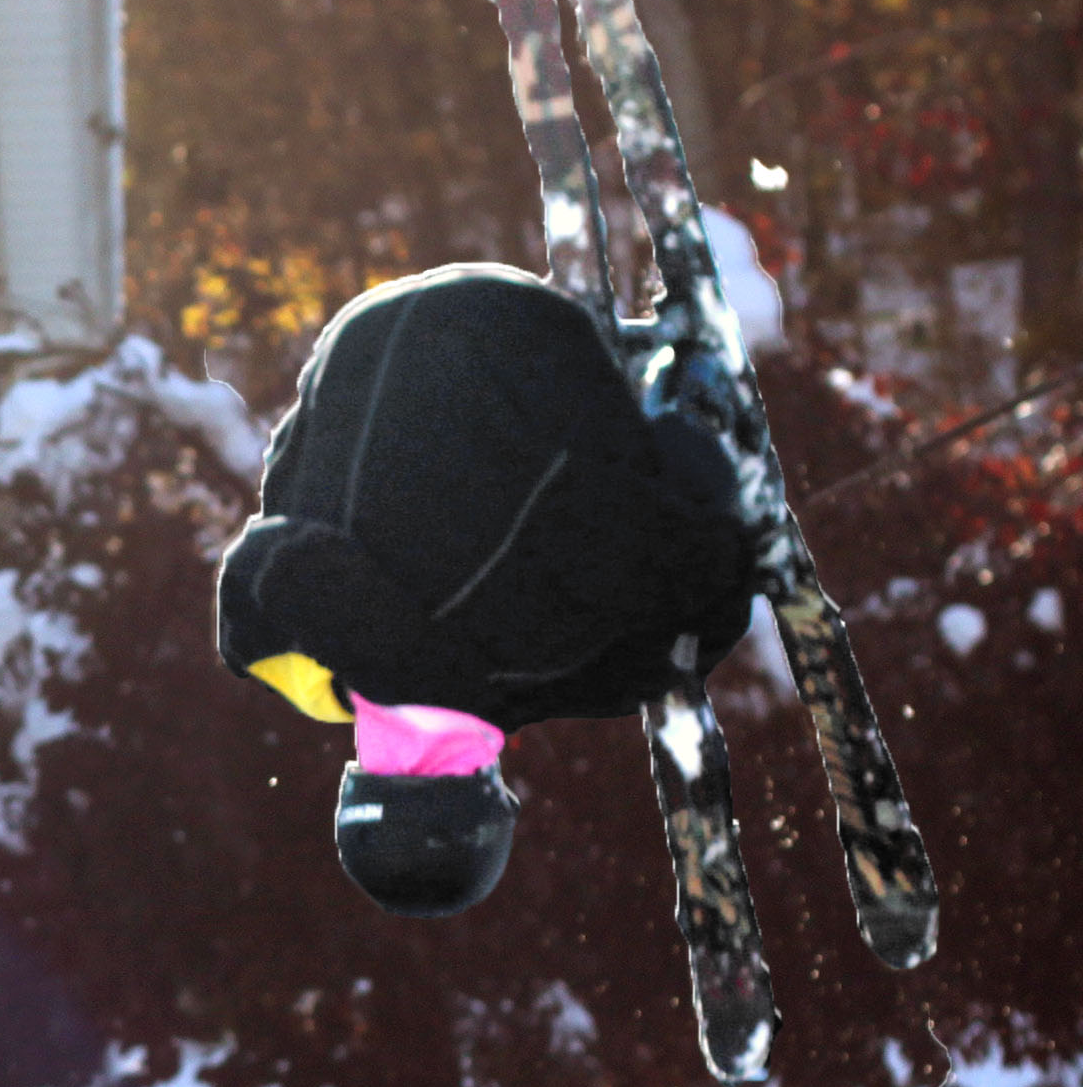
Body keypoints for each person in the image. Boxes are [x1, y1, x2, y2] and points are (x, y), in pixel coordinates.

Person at [211, 257, 763, 917]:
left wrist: (710, 487)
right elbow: (265, 550)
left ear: (487, 799)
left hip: (529, 333)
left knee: (673, 586)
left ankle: (688, 398)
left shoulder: (570, 665)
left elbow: (704, 577)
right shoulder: (291, 658)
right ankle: (634, 401)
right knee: (303, 493)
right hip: (364, 333)